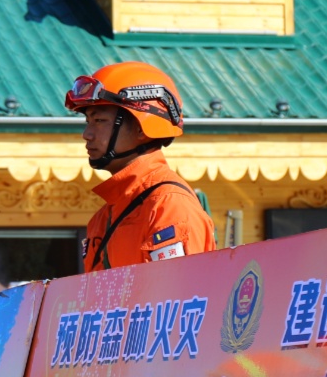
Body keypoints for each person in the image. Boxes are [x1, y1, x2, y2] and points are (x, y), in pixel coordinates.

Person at [64, 62, 214, 272]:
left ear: (141, 128)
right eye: (88, 121)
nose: (87, 134)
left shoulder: (168, 206)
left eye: (99, 120)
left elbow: (182, 296)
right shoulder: (103, 217)